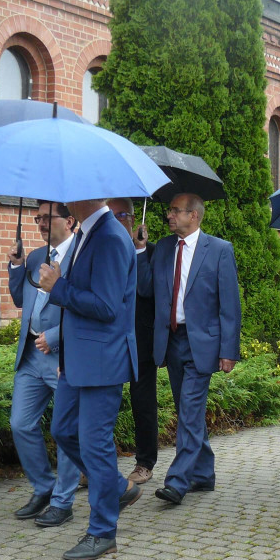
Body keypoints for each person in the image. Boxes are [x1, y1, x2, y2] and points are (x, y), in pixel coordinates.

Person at [38, 198, 142, 560]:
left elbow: (107, 306)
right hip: (78, 359)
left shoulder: (112, 237)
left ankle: (102, 532)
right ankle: (116, 487)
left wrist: (59, 287)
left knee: (94, 445)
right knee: (63, 430)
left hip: (103, 360)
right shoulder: (86, 232)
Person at [137, 192, 242, 505]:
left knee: (190, 411)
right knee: (188, 411)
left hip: (203, 343)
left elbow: (230, 306)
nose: (169, 216)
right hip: (171, 341)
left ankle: (178, 481)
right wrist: (142, 250)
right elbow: (145, 289)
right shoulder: (166, 247)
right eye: (169, 210)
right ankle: (204, 475)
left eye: (175, 211)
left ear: (193, 216)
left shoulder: (220, 250)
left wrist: (228, 350)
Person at [7, 201, 81, 527]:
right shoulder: (37, 256)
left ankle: (63, 502)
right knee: (20, 424)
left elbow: (88, 310)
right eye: (37, 218)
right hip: (30, 355)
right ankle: (43, 487)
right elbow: (20, 299)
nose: (39, 223)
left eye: (46, 218)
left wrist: (55, 336)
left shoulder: (82, 256)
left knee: (64, 431)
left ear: (70, 220)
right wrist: (16, 266)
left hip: (63, 356)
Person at [108, 198, 158, 485]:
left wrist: (139, 250)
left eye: (121, 215)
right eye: (111, 215)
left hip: (141, 339)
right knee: (105, 403)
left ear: (133, 218)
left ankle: (144, 462)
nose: (116, 220)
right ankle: (96, 465)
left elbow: (147, 290)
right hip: (109, 340)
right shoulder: (103, 248)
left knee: (143, 402)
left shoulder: (150, 252)